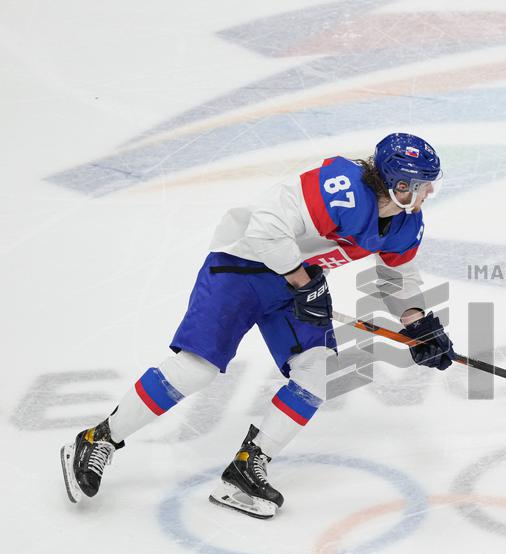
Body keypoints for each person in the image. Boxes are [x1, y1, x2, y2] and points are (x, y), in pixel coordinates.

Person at [60, 133, 456, 519]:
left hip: (296, 285)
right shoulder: (340, 187)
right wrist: (302, 282)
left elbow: (396, 277)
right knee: (196, 369)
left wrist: (416, 323)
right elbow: (265, 228)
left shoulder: (406, 223)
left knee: (314, 373)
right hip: (242, 268)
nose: (429, 193)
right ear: (400, 185)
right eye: (423, 186)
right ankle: (99, 439)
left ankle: (246, 468)